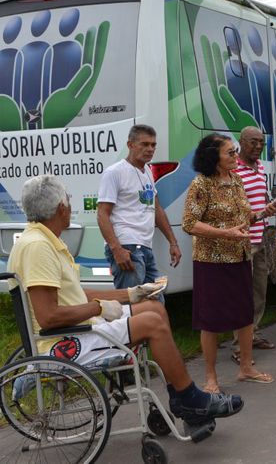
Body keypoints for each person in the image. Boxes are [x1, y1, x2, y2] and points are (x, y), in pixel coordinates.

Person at [8, 175, 242, 426]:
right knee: (152, 322)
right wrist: (100, 308)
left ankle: (180, 395)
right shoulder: (38, 247)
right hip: (64, 342)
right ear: (61, 208)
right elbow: (49, 317)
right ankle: (190, 400)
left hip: (74, 331)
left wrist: (132, 294)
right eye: (68, 199)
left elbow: (75, 295)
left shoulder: (44, 241)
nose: (70, 204)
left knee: (152, 306)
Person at [183, 134, 273, 392]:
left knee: (244, 315)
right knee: (210, 319)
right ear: (214, 157)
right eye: (230, 153)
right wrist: (225, 234)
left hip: (240, 256)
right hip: (211, 261)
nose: (236, 156)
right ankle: (211, 377)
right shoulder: (201, 184)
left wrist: (260, 214)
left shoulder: (236, 181)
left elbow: (243, 219)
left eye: (235, 152)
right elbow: (190, 223)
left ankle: (246, 368)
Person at [97, 124, 181, 300]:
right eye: (144, 144)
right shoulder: (114, 172)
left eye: (153, 145)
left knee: (156, 302)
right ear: (130, 145)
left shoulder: (147, 171)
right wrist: (117, 249)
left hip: (145, 248)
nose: (150, 149)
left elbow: (156, 208)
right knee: (132, 306)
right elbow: (102, 214)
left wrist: (173, 242)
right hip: (127, 247)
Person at [230, 126, 276, 360]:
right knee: (241, 295)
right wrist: (258, 213)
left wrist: (267, 208)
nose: (258, 146)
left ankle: (253, 333)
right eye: (253, 142)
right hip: (243, 240)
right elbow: (232, 208)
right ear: (241, 143)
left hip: (261, 237)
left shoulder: (259, 167)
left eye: (261, 142)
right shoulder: (232, 170)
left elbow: (258, 198)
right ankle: (239, 346)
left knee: (259, 290)